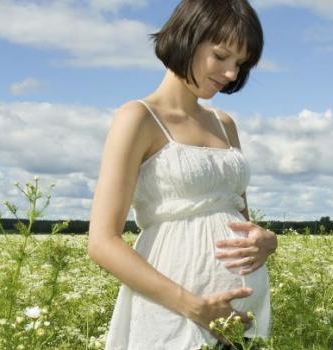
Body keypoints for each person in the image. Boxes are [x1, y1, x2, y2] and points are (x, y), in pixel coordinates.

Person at [87, 1, 276, 349]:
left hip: (241, 325)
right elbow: (101, 242)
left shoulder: (225, 124)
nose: (232, 73)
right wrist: (195, 307)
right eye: (221, 56)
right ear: (187, 37)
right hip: (173, 317)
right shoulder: (138, 118)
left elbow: (240, 219)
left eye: (240, 63)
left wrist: (267, 242)